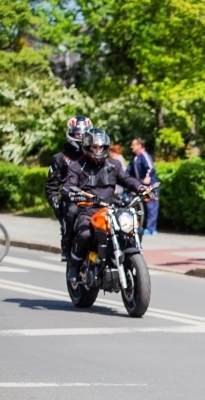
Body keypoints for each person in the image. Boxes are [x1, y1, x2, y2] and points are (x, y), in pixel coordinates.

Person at [63, 128, 146, 283]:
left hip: (110, 209)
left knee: (132, 229)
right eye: (95, 147)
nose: (98, 150)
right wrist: (74, 193)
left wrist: (141, 188)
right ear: (87, 147)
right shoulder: (77, 167)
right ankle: (74, 264)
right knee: (85, 234)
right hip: (88, 210)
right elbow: (68, 186)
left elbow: (126, 179)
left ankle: (129, 259)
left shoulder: (113, 165)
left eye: (101, 147)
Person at [46, 115, 93, 261]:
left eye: (84, 133)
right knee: (71, 212)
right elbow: (51, 186)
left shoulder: (95, 155)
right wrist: (58, 208)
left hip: (95, 199)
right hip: (72, 201)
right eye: (78, 133)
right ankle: (68, 252)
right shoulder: (60, 158)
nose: (81, 137)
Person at [127, 137, 159, 235]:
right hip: (141, 185)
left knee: (151, 206)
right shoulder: (135, 158)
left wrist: (147, 177)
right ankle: (141, 226)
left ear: (139, 145)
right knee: (140, 206)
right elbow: (128, 171)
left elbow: (150, 167)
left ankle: (151, 229)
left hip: (150, 185)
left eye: (134, 144)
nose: (131, 147)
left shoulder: (144, 155)